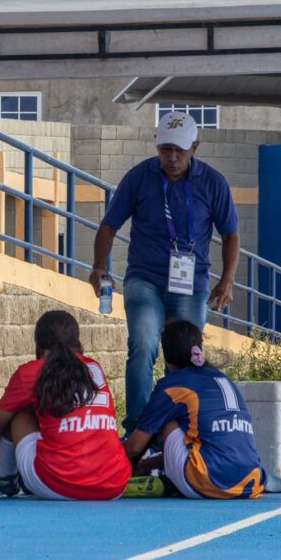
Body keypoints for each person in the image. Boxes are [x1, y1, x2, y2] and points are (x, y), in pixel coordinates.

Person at [89, 110, 241, 432]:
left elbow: (231, 234)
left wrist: (227, 280)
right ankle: (138, 429)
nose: (171, 158)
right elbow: (108, 226)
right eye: (164, 150)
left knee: (184, 355)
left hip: (191, 283)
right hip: (145, 278)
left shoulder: (213, 183)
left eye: (179, 151)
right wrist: (99, 267)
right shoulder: (140, 177)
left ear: (195, 148)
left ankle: (177, 427)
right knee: (143, 345)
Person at [0, 310, 130, 500]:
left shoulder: (31, 372)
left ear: (38, 344)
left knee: (20, 412)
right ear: (78, 341)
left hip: (59, 484)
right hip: (114, 485)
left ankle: (5, 476)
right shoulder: (94, 366)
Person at [124, 320, 265, 499]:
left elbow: (135, 447)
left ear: (166, 356)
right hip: (251, 481)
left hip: (212, 481)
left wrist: (102, 466)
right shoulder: (223, 379)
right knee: (196, 429)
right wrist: (146, 466)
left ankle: (179, 482)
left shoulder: (173, 386)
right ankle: (172, 480)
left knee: (169, 418)